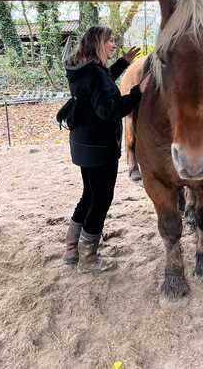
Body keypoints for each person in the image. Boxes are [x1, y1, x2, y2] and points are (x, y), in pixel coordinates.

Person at [63, 26, 149, 273]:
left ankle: (71, 250)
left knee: (89, 194)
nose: (113, 44)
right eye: (110, 41)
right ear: (98, 43)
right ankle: (88, 258)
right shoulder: (95, 74)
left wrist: (123, 62)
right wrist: (137, 93)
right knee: (101, 199)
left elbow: (100, 83)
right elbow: (109, 110)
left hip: (83, 143)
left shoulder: (82, 68)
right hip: (100, 147)